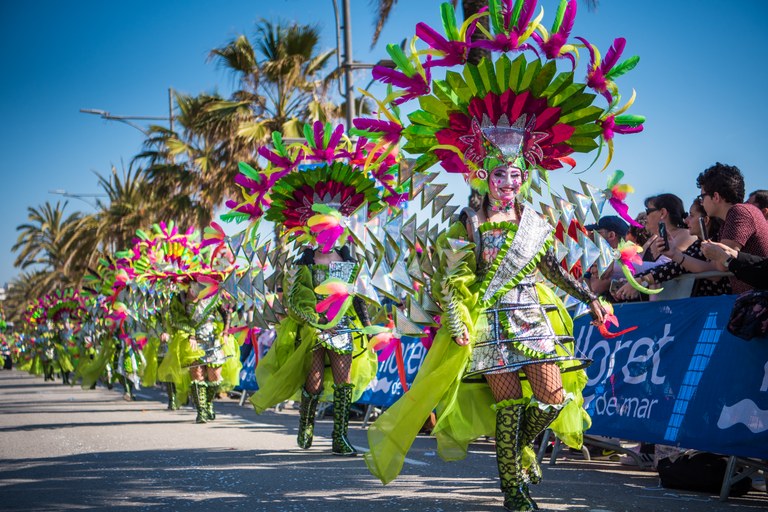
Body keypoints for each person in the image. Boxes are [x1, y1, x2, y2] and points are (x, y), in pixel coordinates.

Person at [228, 121, 392, 456]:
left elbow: (358, 297)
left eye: (333, 224)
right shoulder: (303, 263)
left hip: (344, 330)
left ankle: (340, 437)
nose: (328, 232)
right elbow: (295, 298)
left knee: (345, 382)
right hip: (313, 329)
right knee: (314, 382)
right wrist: (313, 318)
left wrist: (368, 324)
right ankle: (306, 424)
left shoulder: (351, 259)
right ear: (313, 230)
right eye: (321, 226)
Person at [613, 197, 731, 301]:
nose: (686, 220)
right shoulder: (698, 244)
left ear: (705, 220)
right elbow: (673, 266)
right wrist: (632, 281)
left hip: (714, 308)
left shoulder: (710, 243)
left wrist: (640, 281)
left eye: (691, 215)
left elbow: (675, 268)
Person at [696, 163, 768, 293]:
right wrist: (675, 255)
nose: (701, 202)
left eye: (702, 196)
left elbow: (722, 265)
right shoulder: (735, 215)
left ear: (716, 197)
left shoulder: (738, 212)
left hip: (758, 300)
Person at [701, 241, 768, 290]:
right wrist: (732, 252)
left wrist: (725, 259)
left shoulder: (738, 222)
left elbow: (763, 277)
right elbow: (764, 263)